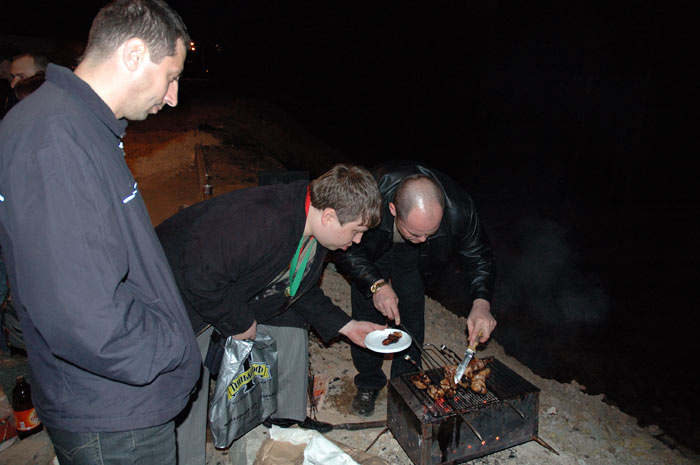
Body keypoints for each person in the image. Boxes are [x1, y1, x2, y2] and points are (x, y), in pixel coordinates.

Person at [0, 1, 200, 464]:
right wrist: (170, 345)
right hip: (113, 418)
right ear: (133, 54)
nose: (173, 96)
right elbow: (82, 315)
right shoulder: (55, 139)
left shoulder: (76, 125)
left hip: (113, 402)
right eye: (171, 76)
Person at [155, 164, 386, 465]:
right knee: (188, 388)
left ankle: (281, 430)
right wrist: (239, 322)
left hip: (212, 287)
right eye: (356, 231)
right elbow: (200, 275)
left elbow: (297, 290)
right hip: (171, 295)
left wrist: (347, 326)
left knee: (288, 323)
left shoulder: (310, 228)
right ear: (329, 216)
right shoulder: (266, 220)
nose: (357, 241)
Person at [331, 160, 497, 416]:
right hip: (372, 247)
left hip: (412, 261)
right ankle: (368, 383)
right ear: (392, 209)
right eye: (416, 233)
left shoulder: (459, 208)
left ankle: (405, 384)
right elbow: (345, 248)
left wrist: (481, 302)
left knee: (411, 308)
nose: (423, 240)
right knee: (368, 308)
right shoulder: (369, 195)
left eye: (430, 233)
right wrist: (376, 284)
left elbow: (479, 255)